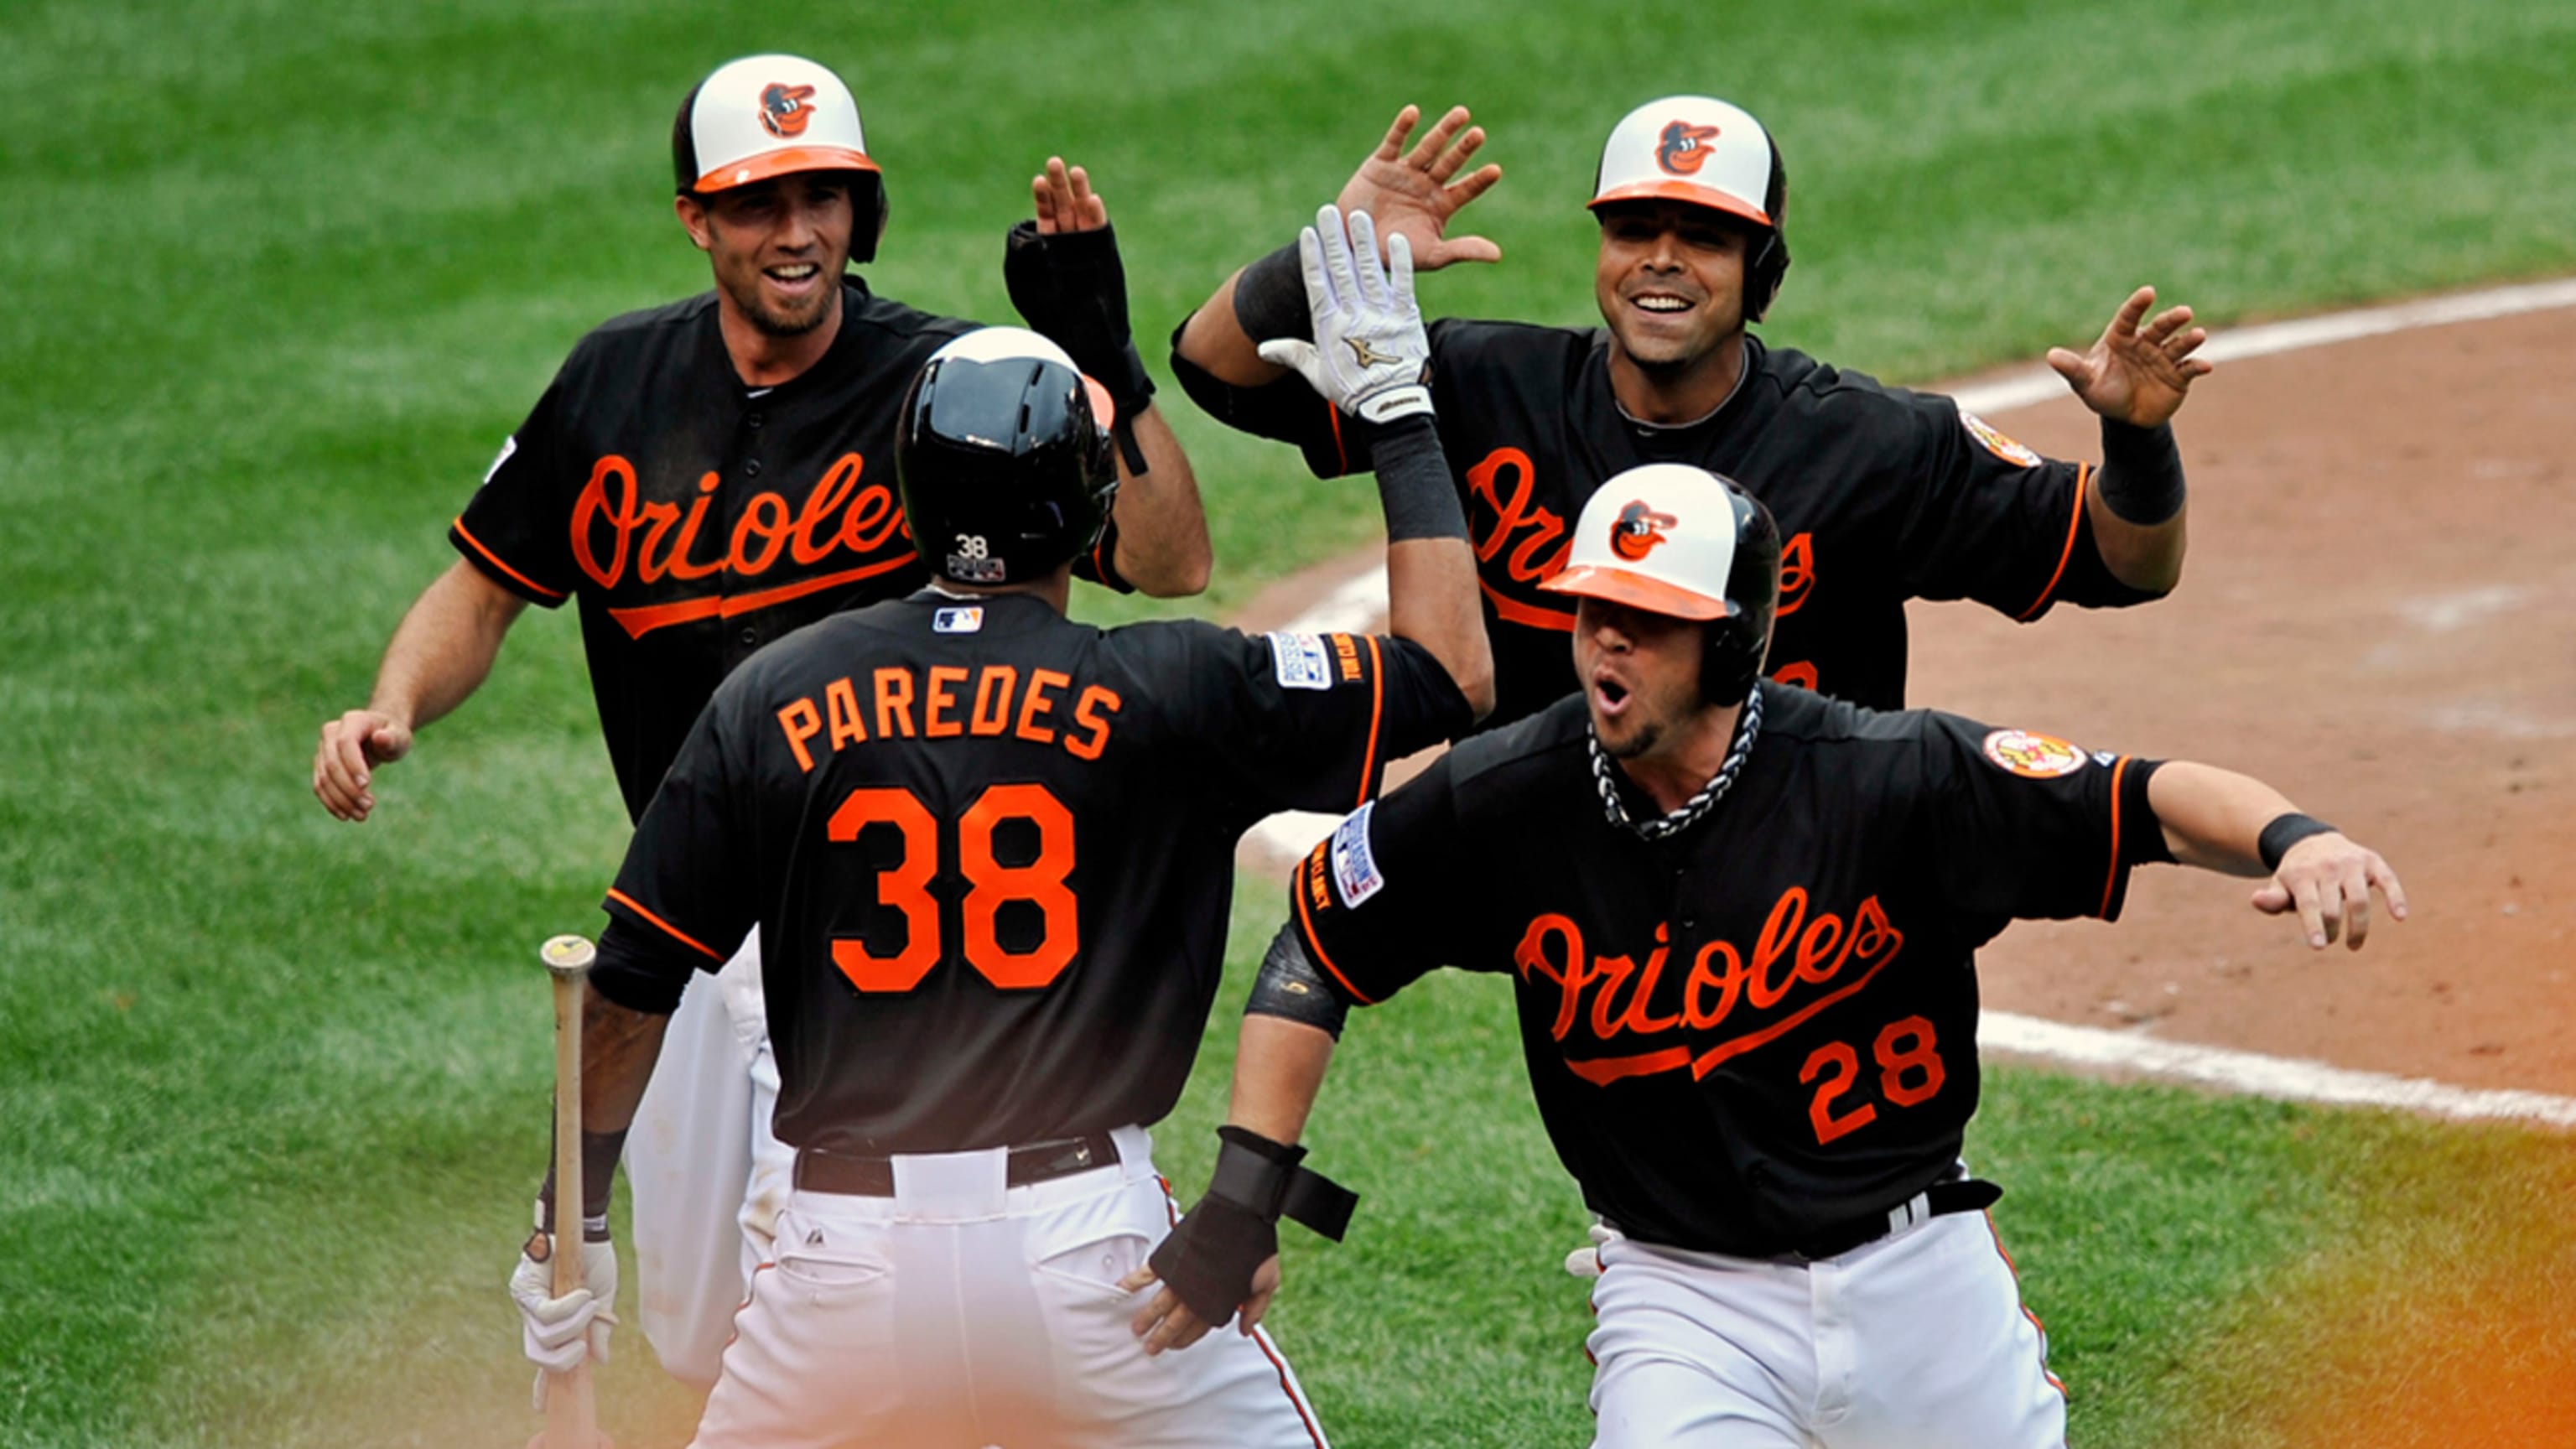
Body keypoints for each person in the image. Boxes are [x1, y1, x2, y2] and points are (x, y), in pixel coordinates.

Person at [1133, 465, 2405, 1448]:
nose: (1607, 647)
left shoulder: (1886, 779)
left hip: (1920, 1278)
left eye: (1650, 622)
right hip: (1682, 1298)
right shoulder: (1505, 799)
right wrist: (1248, 1193)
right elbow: (1321, 937)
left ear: (1737, 638)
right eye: (1596, 614)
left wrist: (2298, 836)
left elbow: (2137, 797)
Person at [510, 207, 1494, 1446]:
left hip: (839, 1274)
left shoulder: (769, 698)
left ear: (910, 499)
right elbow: (1453, 676)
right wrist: (1401, 414)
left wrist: (577, 1214)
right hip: (1092, 1261)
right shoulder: (1176, 689)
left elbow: (630, 988)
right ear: (1090, 516)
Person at [311, 53, 1213, 1387]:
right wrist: (393, 705)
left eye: (826, 199)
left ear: (864, 210)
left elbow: (1170, 557)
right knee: (692, 1334)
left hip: (881, 944)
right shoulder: (614, 381)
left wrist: (1105, 362)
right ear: (697, 217)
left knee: (835, 1299)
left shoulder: (951, 383)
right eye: (758, 203)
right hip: (692, 922)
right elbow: (485, 589)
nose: (797, 234)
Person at [1173, 96, 2213, 726]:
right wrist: (1324, 251)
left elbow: (2128, 564)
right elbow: (1217, 370)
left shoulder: (1869, 443)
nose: (1661, 258)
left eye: (1704, 237)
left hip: (1794, 892)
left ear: (1760, 271)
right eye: (1634, 228)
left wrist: (2137, 432)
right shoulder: (1487, 386)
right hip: (1572, 907)